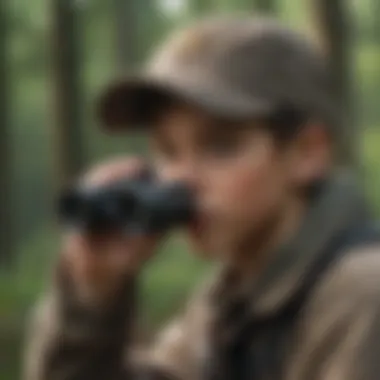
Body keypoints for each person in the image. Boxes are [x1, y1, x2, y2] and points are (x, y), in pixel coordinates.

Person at [23, 15, 380, 380]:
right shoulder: (228, 302)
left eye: (220, 146)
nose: (180, 180)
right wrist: (93, 292)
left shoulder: (362, 294)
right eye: (167, 151)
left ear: (307, 152)